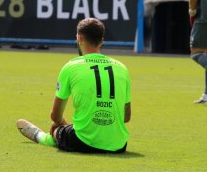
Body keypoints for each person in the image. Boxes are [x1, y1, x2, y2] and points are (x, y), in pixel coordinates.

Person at [17, 18, 131, 153]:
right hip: (119, 145)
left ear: (79, 37)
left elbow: (56, 116)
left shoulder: (71, 67)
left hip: (82, 143)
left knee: (55, 127)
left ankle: (43, 138)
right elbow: (126, 117)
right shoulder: (122, 68)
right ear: (102, 41)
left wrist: (65, 125)